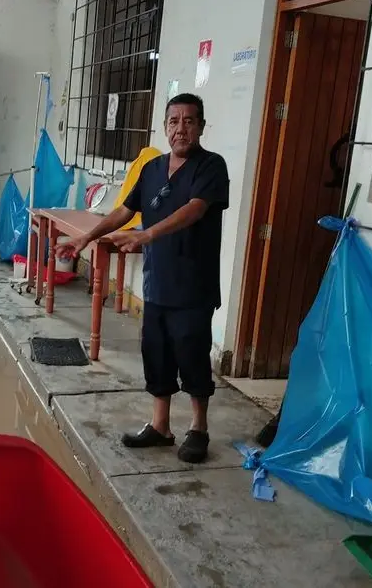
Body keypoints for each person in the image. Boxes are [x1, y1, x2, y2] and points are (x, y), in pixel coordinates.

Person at [55, 93, 229, 464]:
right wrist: (88, 237)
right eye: (173, 121)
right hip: (159, 281)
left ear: (200, 126)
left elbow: (194, 210)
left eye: (189, 121)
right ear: (165, 126)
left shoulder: (211, 167)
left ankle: (198, 428)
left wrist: (147, 235)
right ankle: (161, 426)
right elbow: (124, 209)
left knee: (192, 352)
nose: (180, 128)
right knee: (158, 352)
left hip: (193, 283)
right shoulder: (152, 169)